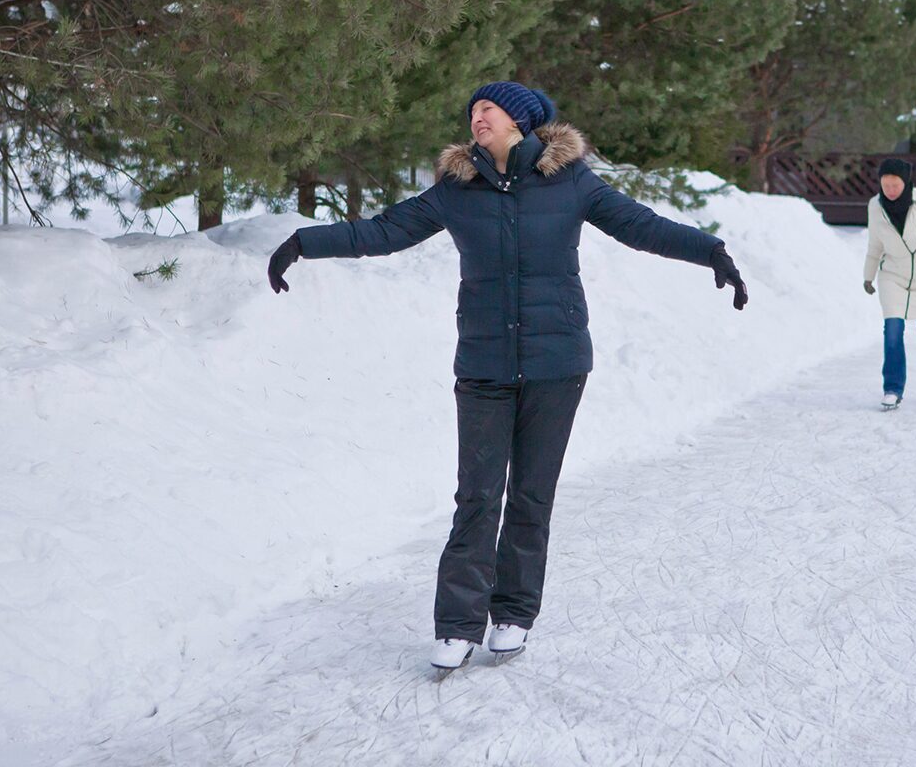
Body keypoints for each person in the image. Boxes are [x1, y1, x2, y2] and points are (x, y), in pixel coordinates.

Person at [265, 81, 748, 671]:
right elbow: (383, 231)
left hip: (558, 363)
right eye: (471, 112)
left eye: (486, 109)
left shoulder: (570, 182)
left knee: (531, 496)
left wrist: (712, 252)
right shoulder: (455, 189)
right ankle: (458, 624)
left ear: (518, 120)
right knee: (477, 496)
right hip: (485, 363)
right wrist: (302, 243)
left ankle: (514, 613)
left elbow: (640, 225)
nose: (476, 118)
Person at [863, 158, 916, 410]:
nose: (890, 190)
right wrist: (868, 275)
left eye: (895, 184)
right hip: (892, 276)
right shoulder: (875, 206)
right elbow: (875, 244)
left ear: (906, 182)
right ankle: (892, 388)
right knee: (892, 330)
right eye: (885, 184)